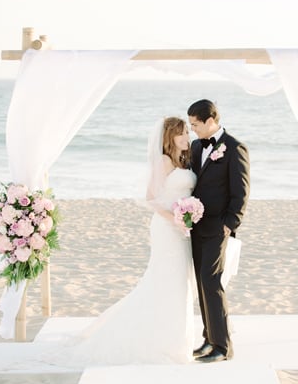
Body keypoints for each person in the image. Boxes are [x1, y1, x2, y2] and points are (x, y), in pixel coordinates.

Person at [46, 117, 197, 367]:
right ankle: (165, 342)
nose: (185, 138)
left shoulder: (183, 159)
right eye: (180, 134)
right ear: (169, 137)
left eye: (187, 133)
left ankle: (175, 339)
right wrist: (175, 218)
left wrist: (189, 214)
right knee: (166, 279)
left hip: (181, 230)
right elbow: (150, 198)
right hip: (167, 229)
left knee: (180, 282)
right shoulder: (164, 161)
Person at [187, 99, 250, 363]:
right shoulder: (194, 146)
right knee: (202, 283)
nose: (192, 130)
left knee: (212, 282)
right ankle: (208, 338)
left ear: (210, 120)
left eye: (195, 124)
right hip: (196, 226)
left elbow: (242, 190)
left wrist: (229, 224)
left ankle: (223, 347)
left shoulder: (235, 148)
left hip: (218, 228)